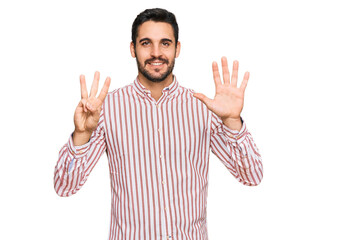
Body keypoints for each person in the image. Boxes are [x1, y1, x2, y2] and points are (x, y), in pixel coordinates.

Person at [54, 8, 263, 240]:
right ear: (133, 49)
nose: (156, 53)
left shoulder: (204, 108)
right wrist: (81, 135)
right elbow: (64, 187)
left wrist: (233, 122)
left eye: (165, 43)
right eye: (146, 43)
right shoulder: (106, 108)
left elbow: (252, 176)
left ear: (177, 49)